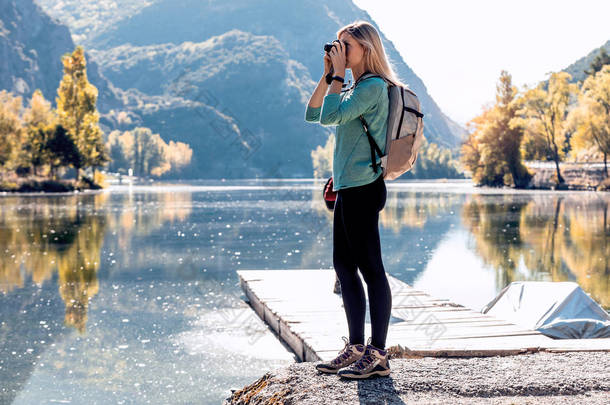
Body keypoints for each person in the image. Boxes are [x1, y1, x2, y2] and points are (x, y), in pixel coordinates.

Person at [304, 20, 405, 379]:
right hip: (349, 187)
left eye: (346, 45)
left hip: (364, 187)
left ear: (366, 49)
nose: (340, 49)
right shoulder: (353, 86)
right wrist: (329, 74)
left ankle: (378, 354)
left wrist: (338, 76)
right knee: (344, 268)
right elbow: (313, 114)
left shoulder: (373, 88)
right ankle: (356, 347)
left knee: (371, 269)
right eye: (337, 44)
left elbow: (330, 115)